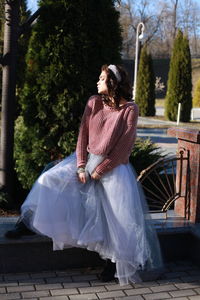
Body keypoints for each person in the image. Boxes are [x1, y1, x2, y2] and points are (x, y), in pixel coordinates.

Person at [5, 64, 163, 285]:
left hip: (114, 167)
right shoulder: (93, 102)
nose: (97, 82)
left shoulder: (129, 109)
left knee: (116, 217)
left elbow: (124, 147)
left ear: (113, 83)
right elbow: (83, 137)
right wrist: (81, 166)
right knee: (49, 179)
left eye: (101, 78)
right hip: (85, 160)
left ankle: (114, 264)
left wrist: (99, 171)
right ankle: (27, 223)